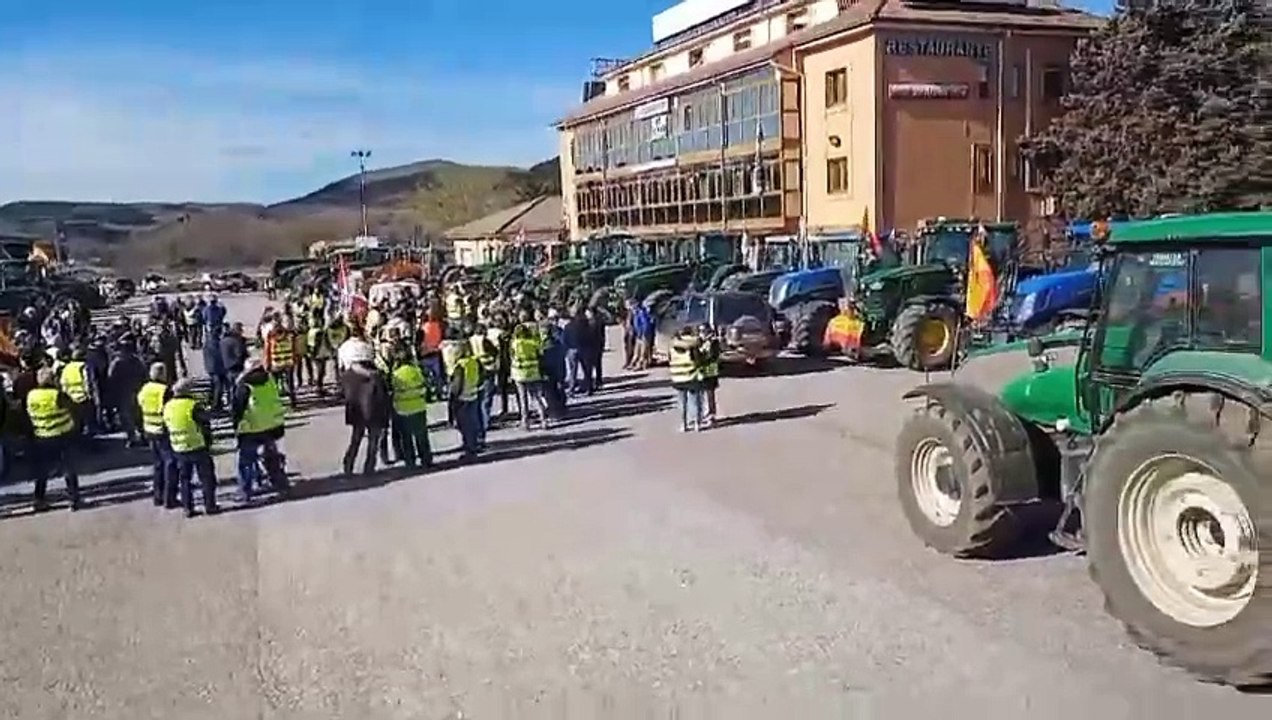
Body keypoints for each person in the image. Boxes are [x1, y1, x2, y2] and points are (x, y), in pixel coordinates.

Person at [231, 360, 290, 503]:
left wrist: (235, 426)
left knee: (246, 461)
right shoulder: (269, 379)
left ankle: (245, 491)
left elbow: (237, 409)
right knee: (271, 456)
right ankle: (280, 484)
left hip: (251, 428)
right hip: (271, 426)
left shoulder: (244, 386)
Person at [26, 367, 82, 511]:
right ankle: (74, 499)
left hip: (42, 436)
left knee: (42, 471)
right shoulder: (57, 395)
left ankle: (39, 499)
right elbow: (73, 408)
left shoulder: (31, 395)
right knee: (69, 468)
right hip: (62, 435)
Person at [163, 378, 220, 517]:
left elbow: (165, 427)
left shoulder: (168, 406)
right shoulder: (193, 405)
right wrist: (209, 441)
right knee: (206, 478)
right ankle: (210, 505)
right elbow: (205, 424)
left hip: (179, 448)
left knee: (185, 480)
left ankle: (187, 508)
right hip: (197, 445)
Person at [340, 344, 392, 476]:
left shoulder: (348, 375)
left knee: (356, 440)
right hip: (374, 413)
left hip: (357, 413)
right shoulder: (377, 376)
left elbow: (346, 394)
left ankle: (348, 464)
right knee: (373, 441)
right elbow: (383, 396)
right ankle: (369, 467)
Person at [136, 362, 176, 507]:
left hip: (149, 429)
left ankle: (157, 496)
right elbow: (171, 410)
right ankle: (169, 498)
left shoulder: (144, 389)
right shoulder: (165, 390)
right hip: (163, 430)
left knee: (158, 465)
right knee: (170, 464)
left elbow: (140, 404)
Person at [389, 355, 433, 469]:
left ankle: (410, 462)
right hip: (419, 406)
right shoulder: (416, 371)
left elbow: (393, 390)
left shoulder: (396, 374)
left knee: (406, 438)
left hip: (402, 409)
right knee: (421, 436)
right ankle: (426, 460)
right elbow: (424, 385)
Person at [509, 319, 548, 430]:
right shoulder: (533, 342)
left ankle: (525, 422)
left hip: (519, 373)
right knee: (537, 397)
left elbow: (511, 356)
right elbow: (540, 355)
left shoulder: (514, 344)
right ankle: (543, 420)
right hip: (533, 371)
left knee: (523, 398)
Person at [449, 342, 484, 459]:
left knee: (464, 425)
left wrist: (453, 398)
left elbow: (456, 385)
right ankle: (474, 444)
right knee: (473, 423)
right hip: (473, 395)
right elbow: (481, 376)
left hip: (462, 398)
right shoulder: (474, 362)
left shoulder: (460, 366)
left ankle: (470, 449)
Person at [668, 326, 704, 432]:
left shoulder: (672, 347)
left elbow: (670, 360)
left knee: (682, 402)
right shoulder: (693, 346)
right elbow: (698, 360)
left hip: (678, 377)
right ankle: (697, 423)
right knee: (694, 401)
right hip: (691, 376)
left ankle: (683, 424)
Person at [468, 323, 498, 433]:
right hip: (487, 369)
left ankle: (478, 421)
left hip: (475, 370)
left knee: (477, 397)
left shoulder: (469, 341)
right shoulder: (485, 341)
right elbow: (494, 351)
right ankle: (486, 422)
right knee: (487, 397)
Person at [264, 318, 297, 404]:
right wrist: (294, 359)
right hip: (288, 362)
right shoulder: (289, 336)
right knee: (290, 383)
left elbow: (267, 351)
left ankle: (278, 400)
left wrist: (267, 364)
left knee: (275, 382)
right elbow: (294, 349)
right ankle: (293, 400)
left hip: (276, 364)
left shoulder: (271, 338)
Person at [696, 323, 721, 428]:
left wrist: (702, 355)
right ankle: (704, 413)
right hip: (702, 372)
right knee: (702, 395)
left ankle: (711, 415)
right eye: (700, 332)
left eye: (703, 331)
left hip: (711, 372)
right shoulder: (700, 342)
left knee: (710, 395)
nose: (702, 334)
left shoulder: (713, 342)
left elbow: (712, 356)